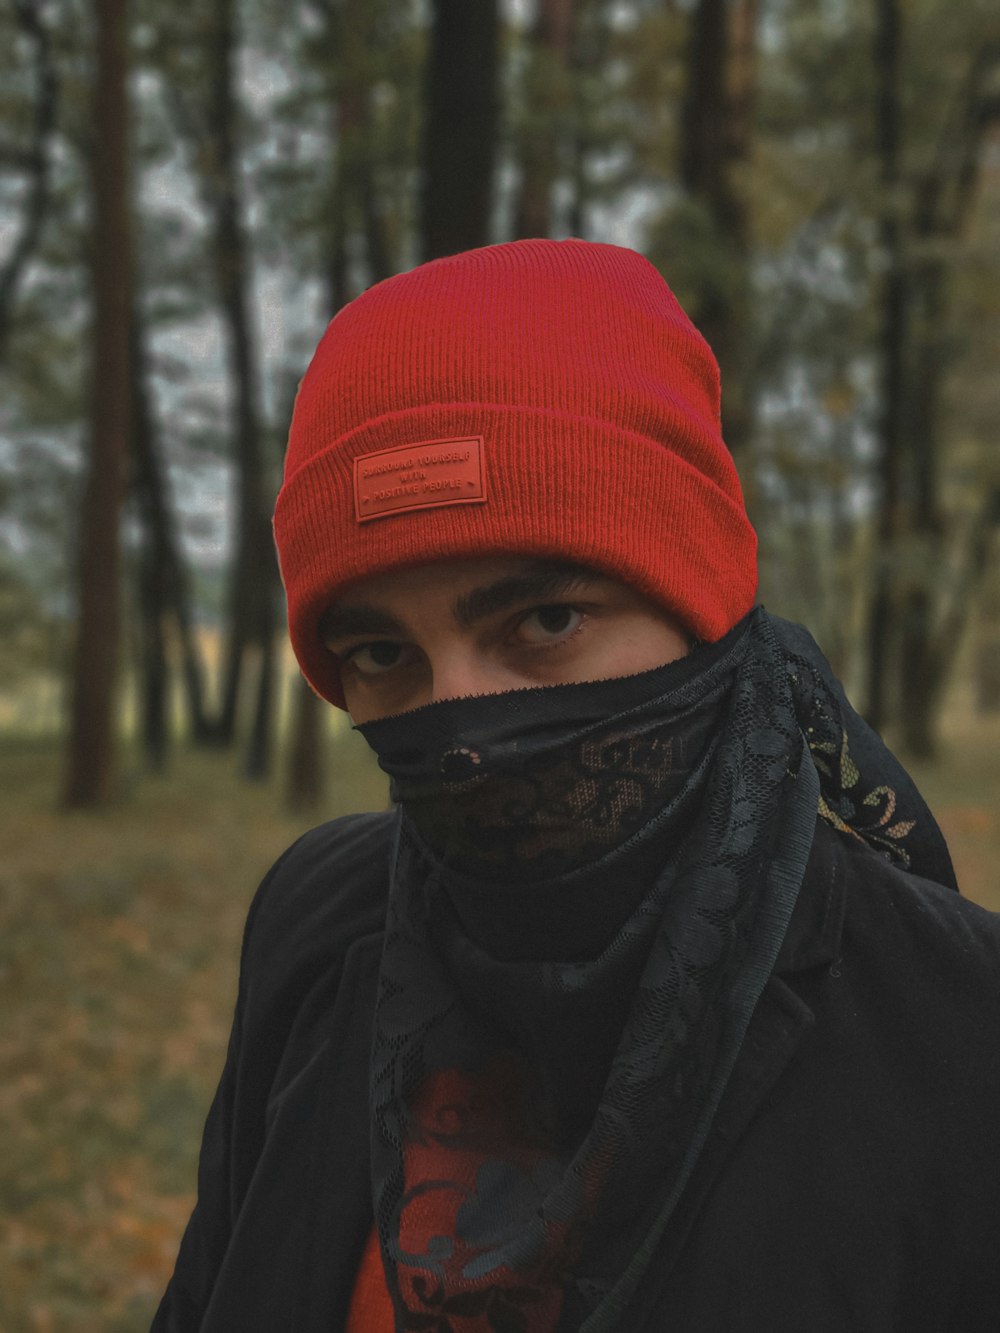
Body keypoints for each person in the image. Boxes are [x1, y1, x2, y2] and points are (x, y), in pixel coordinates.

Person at [152, 239, 1000, 1332]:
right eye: (381, 654)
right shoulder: (319, 918)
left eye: (544, 622)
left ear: (700, 607)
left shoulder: (958, 1030)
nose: (458, 728)